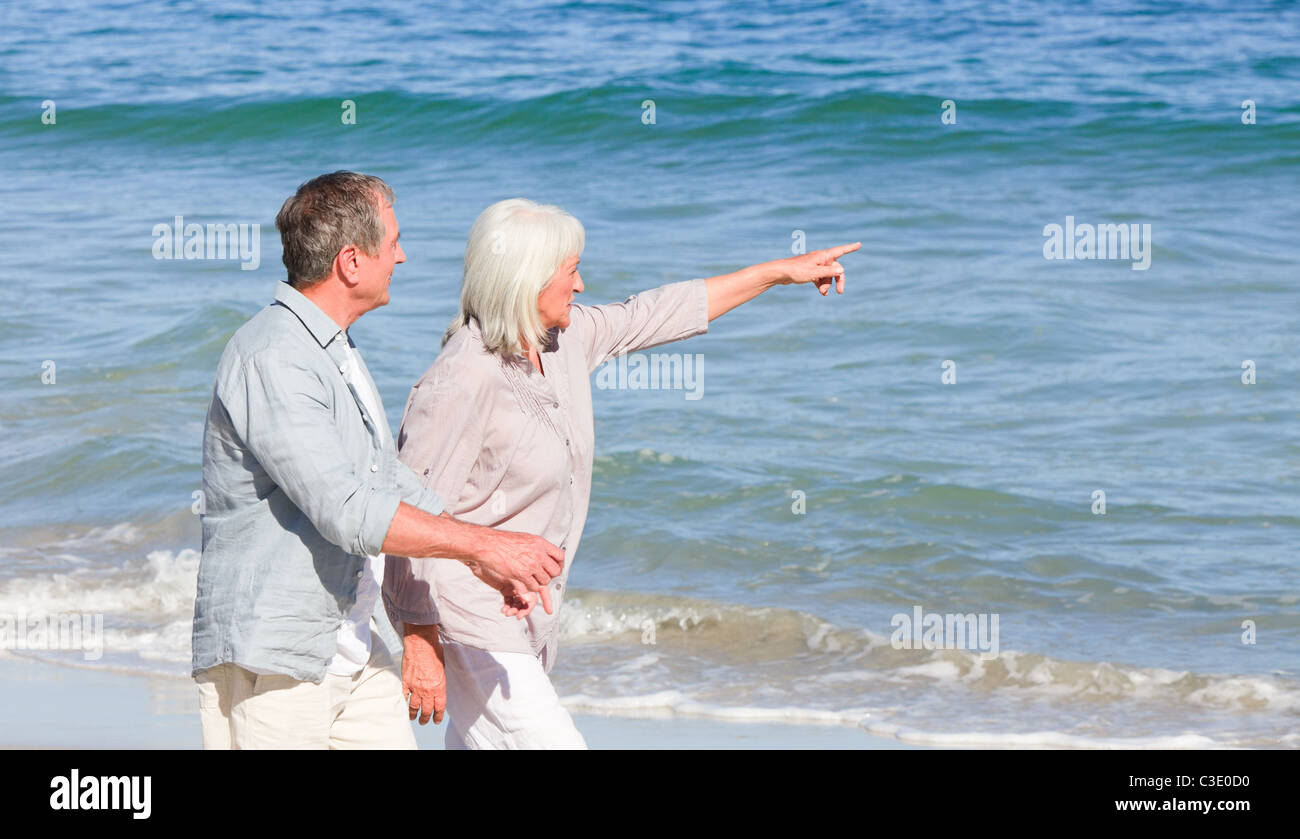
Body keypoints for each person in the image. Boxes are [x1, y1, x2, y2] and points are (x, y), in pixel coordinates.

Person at [384, 197, 858, 748]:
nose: (581, 286)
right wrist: (418, 636)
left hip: (528, 613)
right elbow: (404, 513)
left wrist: (777, 273)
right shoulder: (462, 376)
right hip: (463, 614)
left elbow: (658, 312)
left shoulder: (562, 341)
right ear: (525, 281)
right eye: (570, 272)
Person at [192, 174, 565, 750]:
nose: (402, 256)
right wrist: (483, 546)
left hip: (352, 646)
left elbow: (384, 478)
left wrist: (476, 559)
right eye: (392, 242)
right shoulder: (275, 357)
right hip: (278, 659)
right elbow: (345, 510)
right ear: (351, 262)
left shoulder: (334, 348)